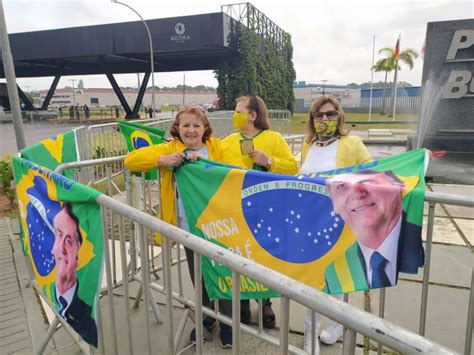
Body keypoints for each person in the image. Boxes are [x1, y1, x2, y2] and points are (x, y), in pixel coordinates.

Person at [124, 105, 244, 348]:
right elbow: (131, 160)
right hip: (188, 227)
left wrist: (206, 168)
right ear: (177, 128)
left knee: (224, 274)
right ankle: (207, 320)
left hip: (219, 226)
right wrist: (162, 159)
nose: (191, 130)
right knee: (199, 276)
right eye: (185, 125)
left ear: (205, 129)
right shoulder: (171, 148)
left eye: (196, 125)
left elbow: (238, 170)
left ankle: (229, 324)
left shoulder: (218, 148)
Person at [300, 96, 373, 353]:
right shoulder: (308, 145)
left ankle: (335, 323)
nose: (325, 119)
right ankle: (312, 328)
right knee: (316, 277)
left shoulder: (351, 143)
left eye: (330, 114)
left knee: (338, 275)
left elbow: (374, 170)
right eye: (319, 115)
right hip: (312, 221)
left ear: (339, 116)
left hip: (342, 222)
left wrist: (419, 160)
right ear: (312, 119)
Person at [223, 95, 299, 330]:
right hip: (235, 209)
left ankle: (265, 301)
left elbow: (293, 168)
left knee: (264, 256)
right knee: (239, 255)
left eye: (238, 111)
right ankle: (244, 300)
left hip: (266, 210)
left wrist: (270, 162)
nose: (234, 115)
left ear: (252, 115)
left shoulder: (273, 139)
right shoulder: (227, 141)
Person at [325, 170, 424, 291]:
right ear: (333, 205)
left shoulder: (412, 242)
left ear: (398, 186)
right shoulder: (332, 271)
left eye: (368, 181)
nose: (358, 194)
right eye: (341, 187)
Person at [52, 203, 98, 347]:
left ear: (79, 257)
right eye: (59, 235)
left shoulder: (87, 314)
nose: (61, 249)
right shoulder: (48, 288)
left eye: (69, 241)